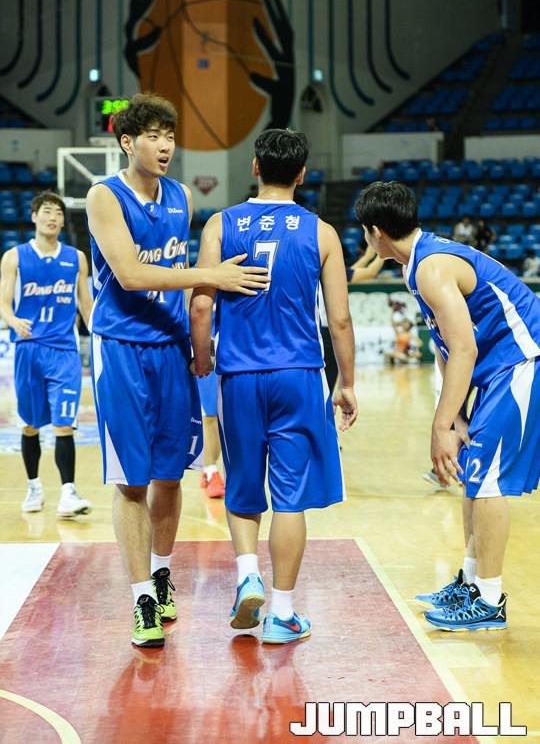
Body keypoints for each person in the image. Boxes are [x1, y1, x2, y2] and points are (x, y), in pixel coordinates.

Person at [86, 92, 269, 648]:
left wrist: (199, 341)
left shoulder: (181, 197)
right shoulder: (103, 195)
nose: (166, 146)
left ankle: (161, 574)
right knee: (131, 480)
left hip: (171, 349)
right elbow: (132, 275)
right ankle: (141, 597)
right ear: (128, 142)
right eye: (154, 136)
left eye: (170, 136)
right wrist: (210, 275)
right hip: (121, 347)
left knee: (170, 474)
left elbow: (177, 269)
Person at [190, 128, 357, 644]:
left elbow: (200, 304)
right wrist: (347, 383)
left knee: (242, 485)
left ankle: (247, 576)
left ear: (255, 168)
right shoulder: (322, 233)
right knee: (290, 498)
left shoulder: (220, 224)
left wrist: (202, 357)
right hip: (299, 375)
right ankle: (282, 613)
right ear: (302, 174)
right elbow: (339, 320)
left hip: (239, 374)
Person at [356, 181, 540, 631]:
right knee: (473, 475)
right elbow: (445, 344)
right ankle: (473, 584)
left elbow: (464, 348)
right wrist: (455, 417)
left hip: (523, 359)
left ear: (377, 232)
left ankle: (490, 600)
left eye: (364, 232)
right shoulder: (415, 264)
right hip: (498, 368)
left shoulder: (432, 267)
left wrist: (439, 427)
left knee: (488, 480)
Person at [0, 191, 93, 518]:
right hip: (29, 349)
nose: (53, 217)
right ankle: (34, 486)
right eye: (47, 211)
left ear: (63, 221)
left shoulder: (76, 258)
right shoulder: (15, 257)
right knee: (30, 424)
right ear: (34, 216)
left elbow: (85, 303)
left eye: (58, 213)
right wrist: (12, 320)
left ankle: (68, 492)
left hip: (64, 351)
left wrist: (99, 334)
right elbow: (3, 302)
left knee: (64, 423)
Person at [322, 244, 384, 395]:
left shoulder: (319, 268)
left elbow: (348, 274)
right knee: (328, 380)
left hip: (316, 329)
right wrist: (384, 252)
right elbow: (370, 272)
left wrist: (367, 257)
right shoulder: (328, 270)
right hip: (326, 331)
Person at [197, 309, 225, 499]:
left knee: (225, 414)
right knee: (209, 412)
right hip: (206, 337)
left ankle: (210, 468)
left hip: (233, 337)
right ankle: (210, 470)